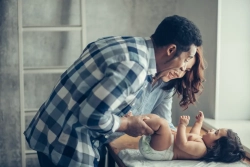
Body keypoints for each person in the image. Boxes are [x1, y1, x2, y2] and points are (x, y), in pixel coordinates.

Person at [24, 15, 205, 167]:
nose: (183, 66)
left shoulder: (124, 43)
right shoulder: (136, 68)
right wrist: (127, 124)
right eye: (186, 58)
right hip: (70, 145)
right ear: (171, 50)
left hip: (49, 129)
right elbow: (91, 117)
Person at [139, 111, 249, 163]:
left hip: (160, 151)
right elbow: (194, 134)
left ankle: (137, 123)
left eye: (216, 133)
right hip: (160, 145)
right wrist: (198, 122)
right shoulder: (201, 141)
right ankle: (136, 120)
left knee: (162, 123)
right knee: (155, 117)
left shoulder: (201, 150)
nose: (212, 130)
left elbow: (182, 144)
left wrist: (182, 125)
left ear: (214, 146)